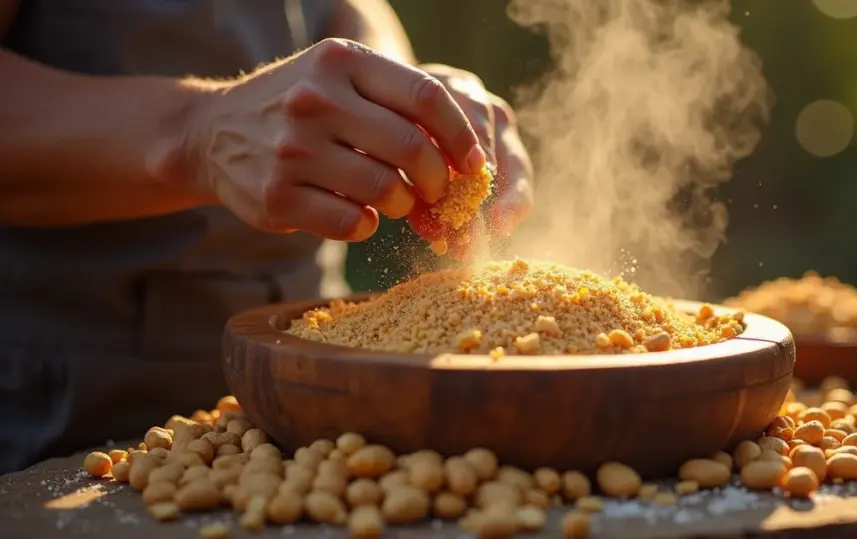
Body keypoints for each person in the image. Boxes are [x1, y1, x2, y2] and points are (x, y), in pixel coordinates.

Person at [0, 0, 534, 474]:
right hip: (68, 408)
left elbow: (345, 8)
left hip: (314, 390)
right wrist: (194, 132)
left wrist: (398, 88)